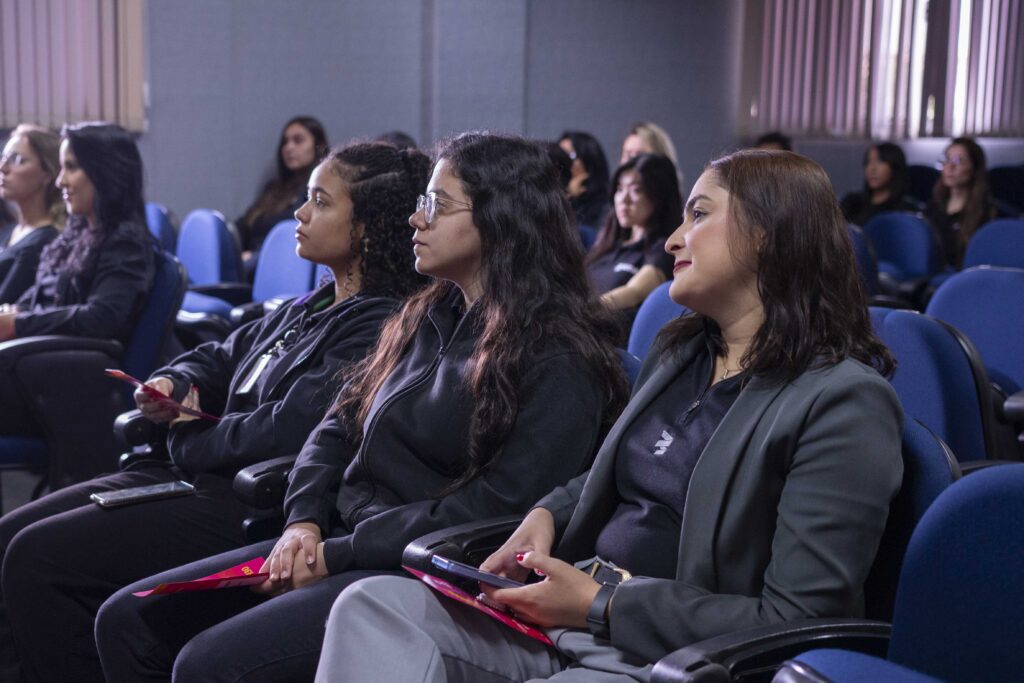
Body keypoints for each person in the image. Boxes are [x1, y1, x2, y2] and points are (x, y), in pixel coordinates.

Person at [314, 149, 904, 683]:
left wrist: (606, 604)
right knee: (373, 609)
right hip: (567, 619)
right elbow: (618, 471)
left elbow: (798, 619)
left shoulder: (841, 402)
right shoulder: (684, 354)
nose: (673, 240)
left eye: (698, 216)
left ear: (769, 235)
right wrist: (550, 512)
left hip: (670, 660)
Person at [94, 133, 629, 682]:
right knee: (131, 620)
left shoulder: (558, 354)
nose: (416, 221)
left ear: (502, 219)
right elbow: (338, 423)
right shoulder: (428, 313)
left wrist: (341, 552)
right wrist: (302, 521)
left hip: (414, 573)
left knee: (207, 665)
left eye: (437, 206)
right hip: (337, 539)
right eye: (421, 203)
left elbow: (498, 507)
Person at [0, 141, 430, 683]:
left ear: (366, 227)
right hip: (197, 471)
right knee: (9, 540)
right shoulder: (315, 302)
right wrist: (176, 381)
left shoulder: (380, 324)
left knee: (39, 559)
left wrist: (187, 436)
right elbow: (220, 352)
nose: (299, 213)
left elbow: (290, 430)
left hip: (244, 498)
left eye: (320, 202)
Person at [0, 122, 155, 438]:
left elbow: (102, 318)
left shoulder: (125, 240)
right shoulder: (78, 232)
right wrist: (12, 314)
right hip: (40, 370)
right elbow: (44, 294)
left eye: (71, 168)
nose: (60, 181)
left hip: (70, 383)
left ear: (104, 172)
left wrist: (20, 324)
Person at [586, 153, 682, 342]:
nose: (623, 199)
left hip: (610, 344)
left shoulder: (662, 249)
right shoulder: (606, 245)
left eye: (636, 190)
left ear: (658, 196)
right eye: (620, 189)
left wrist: (581, 310)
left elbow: (635, 292)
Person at [237, 116, 328, 271]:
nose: (289, 148)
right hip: (250, 262)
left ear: (318, 146)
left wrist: (255, 257)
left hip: (280, 267)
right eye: (285, 142)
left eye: (298, 140)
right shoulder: (273, 189)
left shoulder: (318, 192)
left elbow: (300, 239)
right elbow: (244, 225)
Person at [0, 124, 64, 303]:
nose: (3, 168)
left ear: (47, 174)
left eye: (18, 160)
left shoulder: (44, 241)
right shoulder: (9, 230)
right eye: (3, 158)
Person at [925, 137, 998, 268]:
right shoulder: (933, 206)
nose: (950, 166)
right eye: (947, 159)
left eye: (959, 161)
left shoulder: (986, 212)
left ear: (974, 169)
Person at [840, 142, 921, 227]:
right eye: (868, 162)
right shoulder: (852, 202)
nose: (872, 168)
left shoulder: (906, 211)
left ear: (895, 167)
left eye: (880, 161)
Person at [558, 131, 612, 228]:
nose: (561, 162)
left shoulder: (605, 206)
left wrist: (570, 200)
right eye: (559, 155)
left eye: (569, 156)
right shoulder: (552, 196)